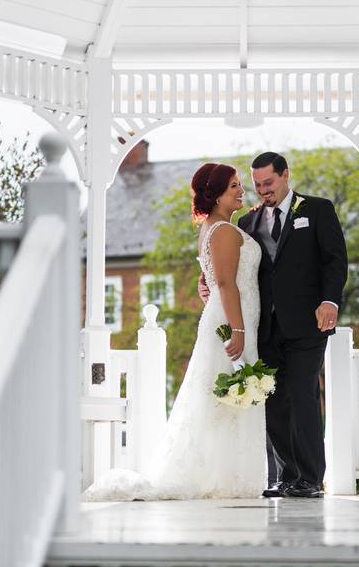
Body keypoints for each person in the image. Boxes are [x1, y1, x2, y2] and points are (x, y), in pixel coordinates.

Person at [83, 162, 265, 501]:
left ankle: (223, 474)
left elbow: (214, 277)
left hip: (230, 319)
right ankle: (225, 477)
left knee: (222, 402)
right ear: (215, 195)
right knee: (225, 400)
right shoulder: (223, 231)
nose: (241, 191)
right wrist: (238, 330)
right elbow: (225, 284)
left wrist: (209, 286)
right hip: (231, 323)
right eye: (233, 187)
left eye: (240, 184)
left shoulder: (214, 228)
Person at [202, 152, 347, 498]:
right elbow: (231, 270)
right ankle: (286, 476)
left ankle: (311, 478)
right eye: (257, 185)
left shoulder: (317, 209)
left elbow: (335, 259)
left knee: (302, 394)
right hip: (264, 325)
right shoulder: (247, 224)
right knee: (273, 399)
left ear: (285, 175)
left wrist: (330, 300)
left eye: (269, 183)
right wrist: (205, 281)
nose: (263, 190)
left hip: (308, 324)